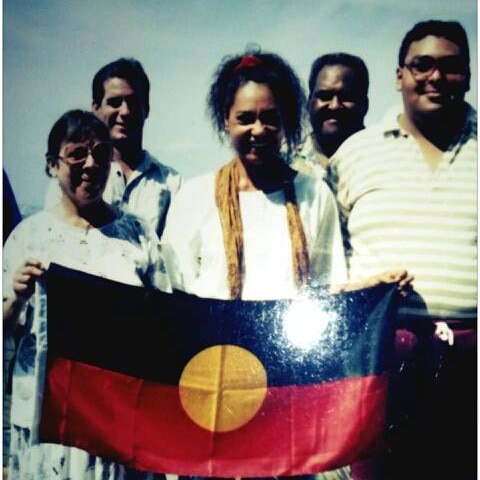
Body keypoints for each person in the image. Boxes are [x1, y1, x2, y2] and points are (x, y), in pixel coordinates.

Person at [162, 50, 411, 480]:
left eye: (270, 118)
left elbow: (327, 293)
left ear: (287, 121)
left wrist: (375, 289)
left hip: (289, 393)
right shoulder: (193, 196)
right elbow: (175, 299)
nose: (258, 130)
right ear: (225, 119)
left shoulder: (314, 196)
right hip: (215, 391)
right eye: (245, 118)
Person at [327, 20, 476, 480]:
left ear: (468, 76)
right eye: (422, 65)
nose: (435, 77)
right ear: (399, 76)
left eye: (451, 67)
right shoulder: (354, 153)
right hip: (382, 358)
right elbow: (326, 252)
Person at [3, 109, 170, 480]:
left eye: (100, 153)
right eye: (77, 154)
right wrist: (15, 297)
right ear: (52, 164)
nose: (91, 164)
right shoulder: (27, 237)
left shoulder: (137, 235)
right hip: (49, 424)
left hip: (120, 420)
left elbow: (165, 324)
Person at [45, 57, 181, 238]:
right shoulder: (71, 178)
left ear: (146, 108)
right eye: (115, 102)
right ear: (95, 107)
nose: (125, 112)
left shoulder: (171, 183)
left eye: (133, 102)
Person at [290, 53, 369, 177]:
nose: (335, 105)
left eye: (346, 97)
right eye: (325, 96)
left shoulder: (384, 159)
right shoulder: (286, 163)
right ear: (309, 102)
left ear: (365, 105)